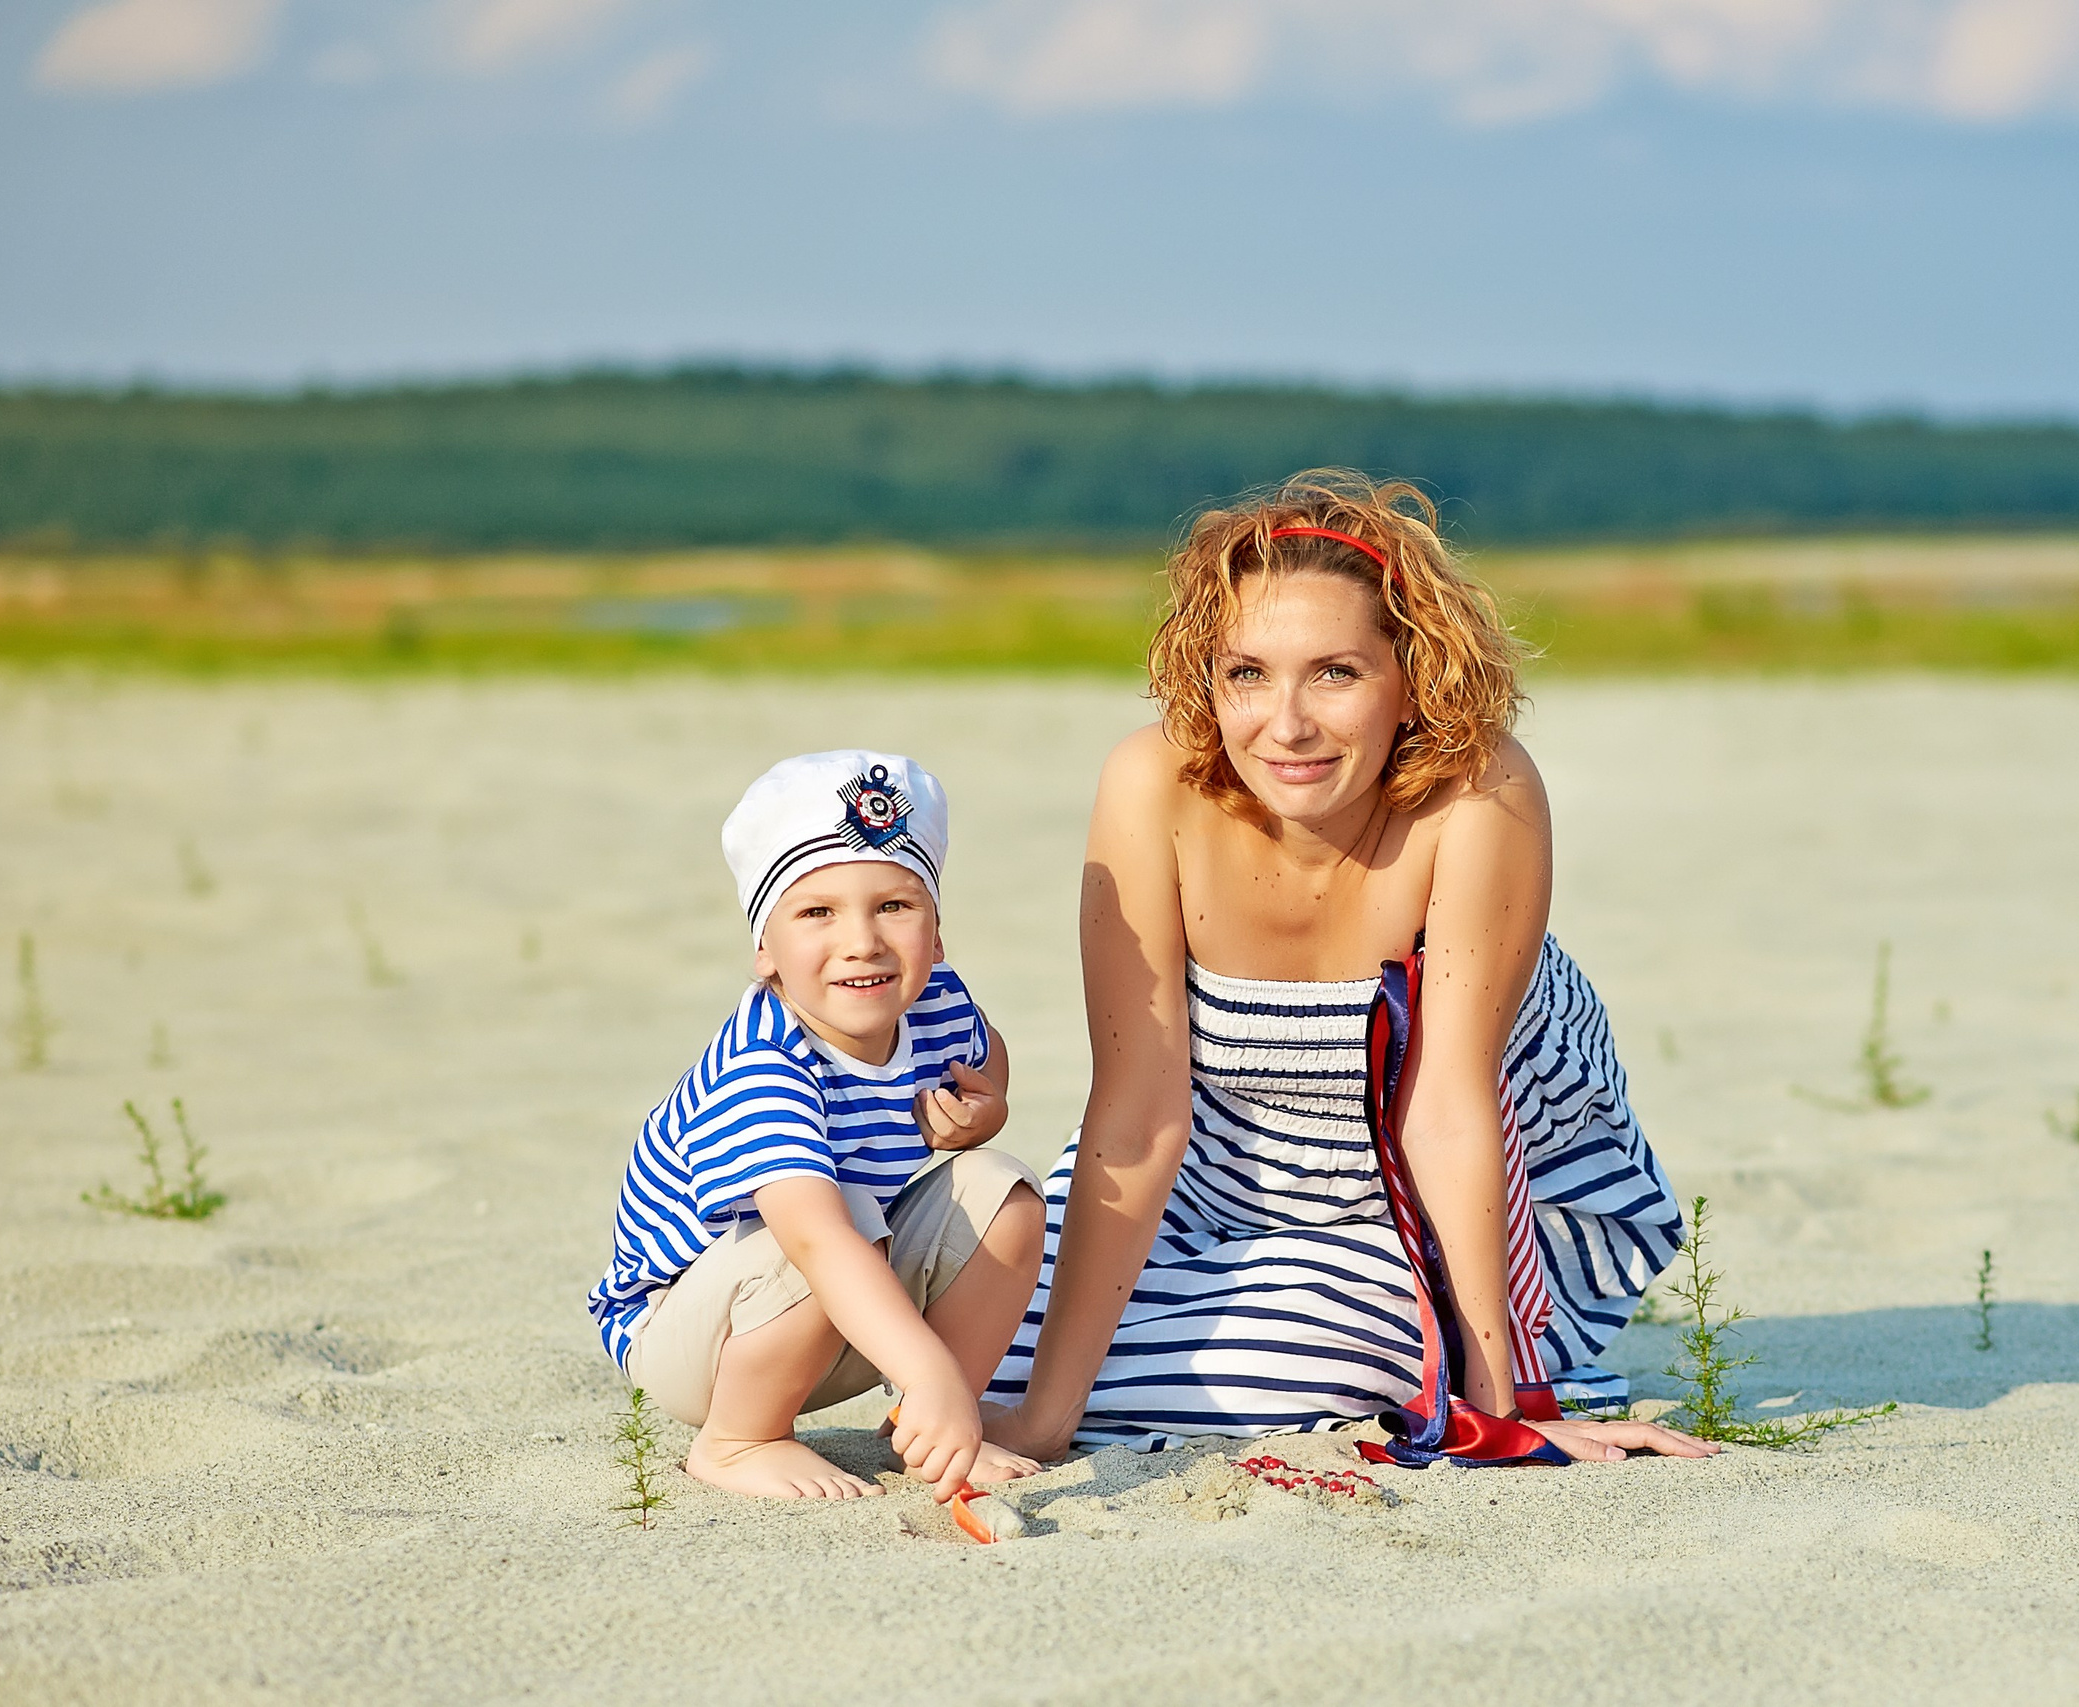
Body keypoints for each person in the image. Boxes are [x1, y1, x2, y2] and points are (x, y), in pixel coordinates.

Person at [986, 471, 1717, 1465]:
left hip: (1446, 1203)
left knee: (1295, 1363)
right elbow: (1137, 1108)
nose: (1284, 725)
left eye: (1334, 673)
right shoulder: (1148, 782)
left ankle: (1397, 1340)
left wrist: (1498, 1408)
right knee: (986, 1354)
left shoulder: (1479, 793)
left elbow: (1452, 1109)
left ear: (1411, 677)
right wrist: (1041, 1416)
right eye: (1246, 673)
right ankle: (1224, 1324)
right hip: (1216, 1177)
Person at [588, 750, 1046, 1501]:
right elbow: (812, 1236)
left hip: (837, 1304)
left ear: (936, 933)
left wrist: (987, 1103)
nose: (861, 940)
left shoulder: (934, 1003)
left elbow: (987, 1051)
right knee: (843, 1216)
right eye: (817, 912)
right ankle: (739, 1441)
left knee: (1007, 1191)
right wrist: (923, 1361)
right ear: (765, 950)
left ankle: (924, 1423)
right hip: (693, 1335)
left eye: (894, 906)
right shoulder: (763, 1063)